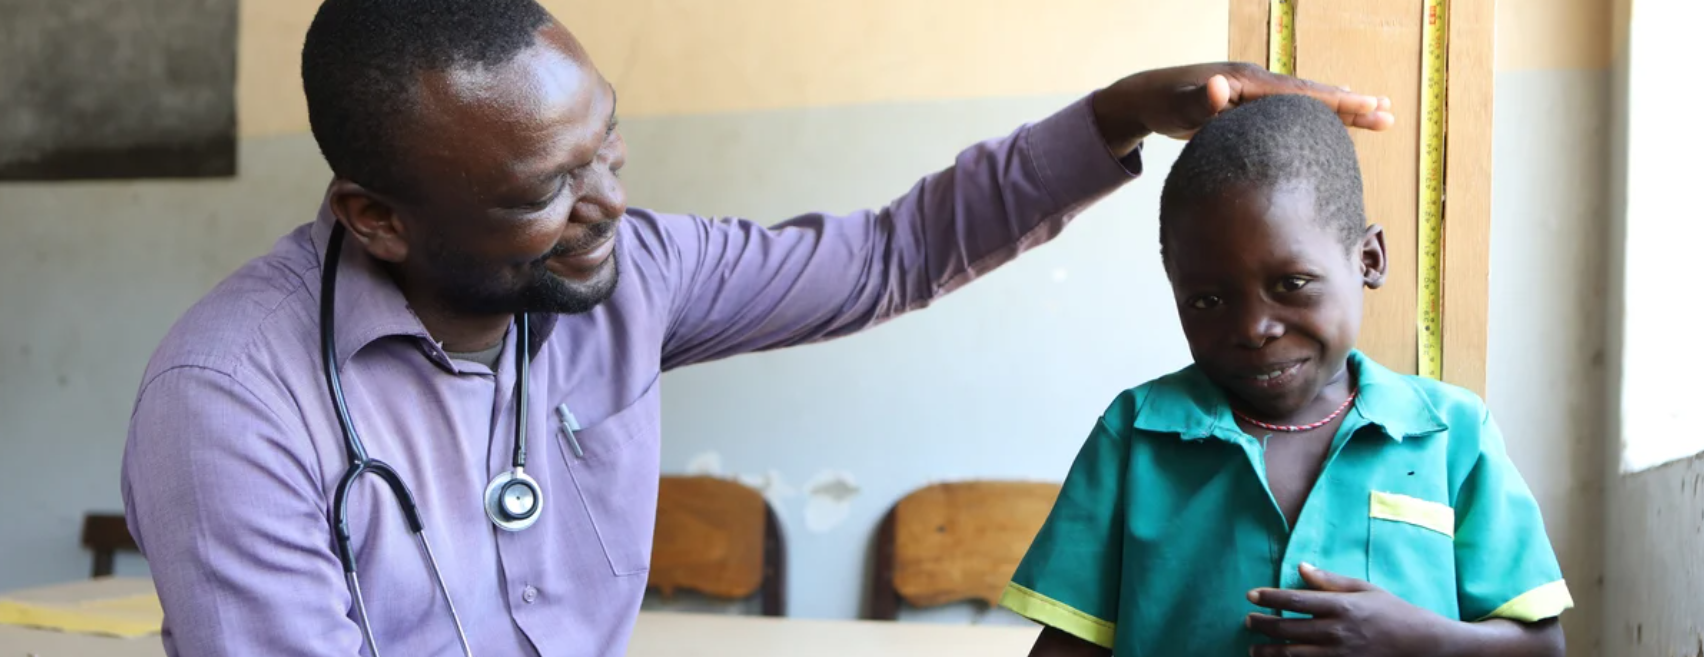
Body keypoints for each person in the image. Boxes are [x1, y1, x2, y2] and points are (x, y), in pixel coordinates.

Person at [118, 0, 1395, 654]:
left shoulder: (628, 272)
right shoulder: (233, 403)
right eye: (541, 193)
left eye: (605, 146)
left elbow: (887, 253)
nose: (607, 207)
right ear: (376, 217)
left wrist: (1115, 114)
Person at [998, 94, 1571, 657]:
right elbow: (1069, 644)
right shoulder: (1137, 435)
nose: (1253, 328)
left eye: (1292, 283)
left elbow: (1543, 646)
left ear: (1368, 259)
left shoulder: (1452, 434)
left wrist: (1417, 640)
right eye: (1207, 300)